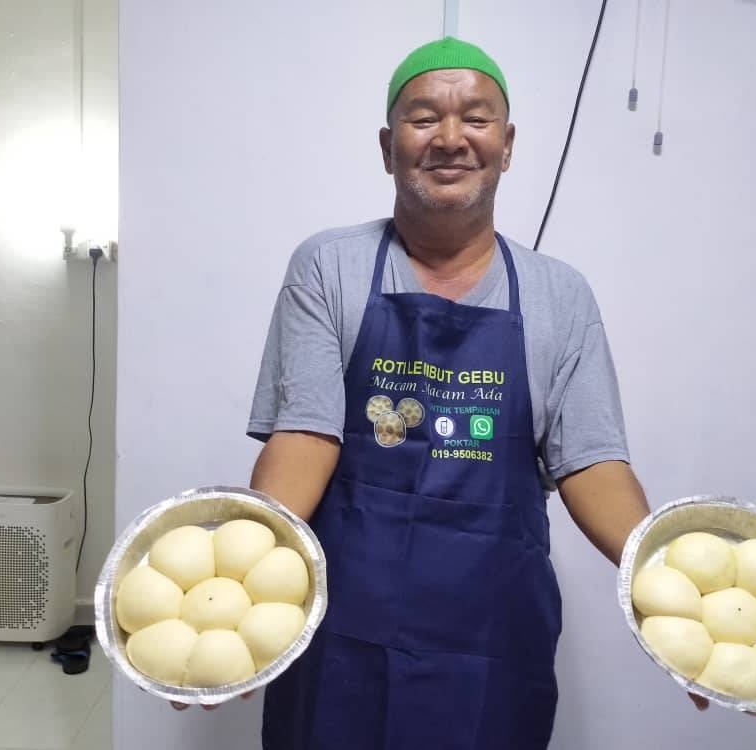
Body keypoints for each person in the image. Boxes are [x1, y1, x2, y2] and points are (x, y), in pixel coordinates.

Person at [179, 36, 670, 747]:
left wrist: (677, 604)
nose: (450, 138)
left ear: (507, 144)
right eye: (422, 118)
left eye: (475, 117)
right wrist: (234, 601)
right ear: (388, 146)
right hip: (343, 632)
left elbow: (591, 462)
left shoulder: (560, 295)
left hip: (493, 642)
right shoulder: (330, 267)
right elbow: (307, 436)